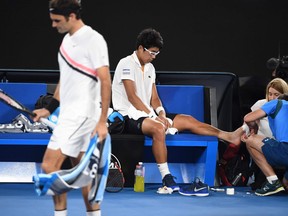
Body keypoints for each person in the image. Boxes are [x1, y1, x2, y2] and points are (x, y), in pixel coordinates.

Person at [111, 28, 243, 191]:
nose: (153, 57)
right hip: (128, 115)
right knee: (159, 128)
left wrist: (161, 113)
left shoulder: (150, 69)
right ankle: (167, 177)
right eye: (152, 52)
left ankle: (226, 135)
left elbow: (154, 98)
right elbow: (132, 97)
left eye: (156, 54)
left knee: (187, 120)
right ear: (140, 48)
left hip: (148, 114)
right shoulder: (126, 63)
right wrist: (154, 117)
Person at [33, 0, 111, 215]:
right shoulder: (66, 42)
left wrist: (102, 121)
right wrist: (49, 109)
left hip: (82, 116)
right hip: (70, 114)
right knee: (86, 176)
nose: (53, 25)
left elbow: (105, 81)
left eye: (57, 20)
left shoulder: (93, 40)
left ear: (71, 16)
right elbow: (65, 80)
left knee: (50, 166)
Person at [241, 93, 288, 196]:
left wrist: (254, 127)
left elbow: (248, 118)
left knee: (251, 141)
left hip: (285, 150)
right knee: (286, 182)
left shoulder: (277, 103)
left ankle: (273, 181)